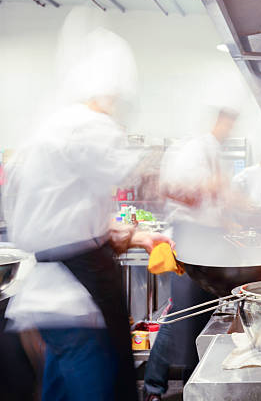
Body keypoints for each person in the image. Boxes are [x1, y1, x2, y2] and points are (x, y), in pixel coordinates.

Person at [2, 20, 172, 401]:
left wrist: (134, 234)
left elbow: (69, 213)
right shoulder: (90, 127)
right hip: (76, 296)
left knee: (59, 388)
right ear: (108, 93)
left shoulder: (48, 130)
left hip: (47, 294)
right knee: (100, 389)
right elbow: (146, 178)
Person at [143, 107, 238, 401]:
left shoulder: (213, 152)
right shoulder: (191, 149)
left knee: (201, 313)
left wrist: (229, 223)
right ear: (217, 121)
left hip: (208, 240)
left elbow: (218, 203)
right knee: (183, 312)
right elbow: (169, 189)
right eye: (228, 123)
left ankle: (190, 384)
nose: (230, 129)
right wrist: (207, 189)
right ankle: (154, 388)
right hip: (191, 239)